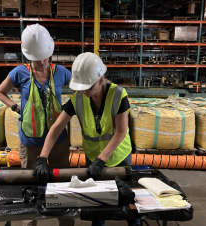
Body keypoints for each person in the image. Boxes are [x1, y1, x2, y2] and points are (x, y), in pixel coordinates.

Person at [32, 52, 140, 226]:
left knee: (126, 201)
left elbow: (121, 131)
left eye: (88, 87)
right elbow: (56, 128)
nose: (84, 92)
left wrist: (101, 160)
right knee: (96, 202)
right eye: (81, 88)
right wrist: (42, 157)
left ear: (100, 79)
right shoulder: (78, 98)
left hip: (119, 156)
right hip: (92, 157)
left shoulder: (118, 94)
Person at [0, 23, 74, 226]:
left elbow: (80, 89)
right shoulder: (19, 73)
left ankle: (65, 220)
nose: (41, 62)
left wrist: (71, 108)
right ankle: (29, 221)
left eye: (45, 57)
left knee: (61, 182)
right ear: (28, 56)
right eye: (36, 59)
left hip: (58, 140)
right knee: (31, 183)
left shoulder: (61, 72)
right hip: (30, 140)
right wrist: (15, 107)